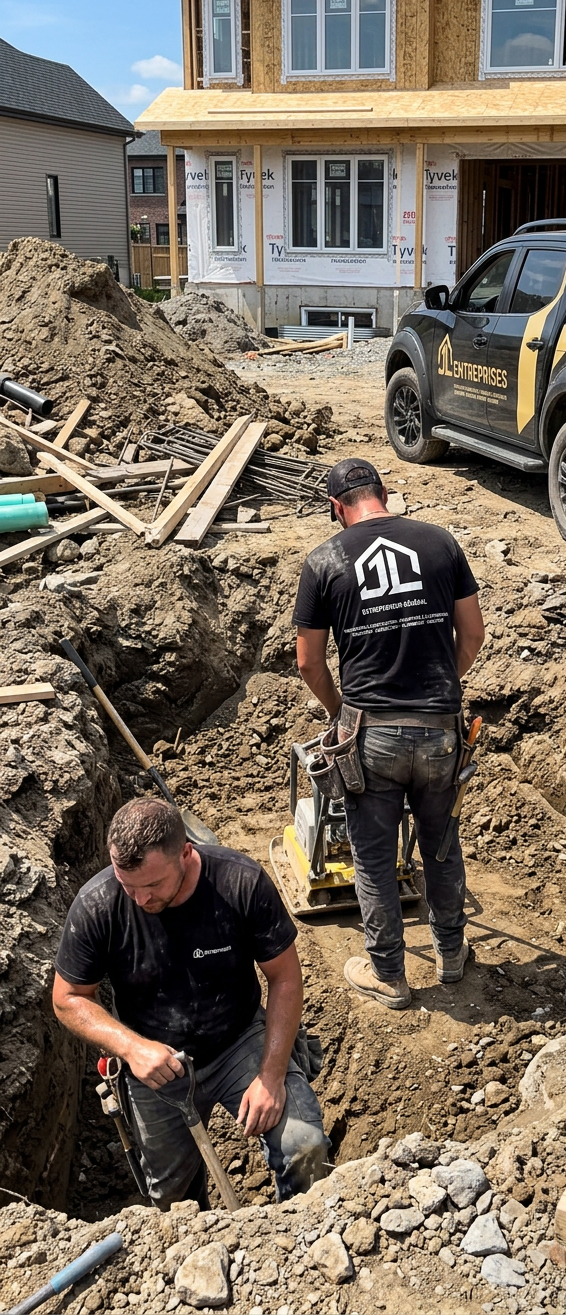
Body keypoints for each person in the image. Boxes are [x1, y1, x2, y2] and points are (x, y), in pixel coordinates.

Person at [52, 797, 329, 1209]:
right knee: (172, 1201)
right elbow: (68, 998)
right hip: (154, 1061)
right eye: (129, 886)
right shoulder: (98, 905)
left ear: (186, 852)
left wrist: (271, 1076)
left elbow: (285, 977)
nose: (140, 900)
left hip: (239, 1039)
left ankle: (296, 1239)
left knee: (304, 1146)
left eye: (153, 886)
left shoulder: (239, 883)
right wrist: (131, 1048)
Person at [293, 457, 485, 1009]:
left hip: (370, 733)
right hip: (441, 731)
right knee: (440, 846)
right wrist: (439, 686)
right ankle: (451, 958)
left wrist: (340, 713)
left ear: (336, 507)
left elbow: (309, 663)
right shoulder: (440, 543)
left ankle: (390, 977)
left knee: (374, 857)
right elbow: (471, 634)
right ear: (384, 493)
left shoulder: (325, 560)